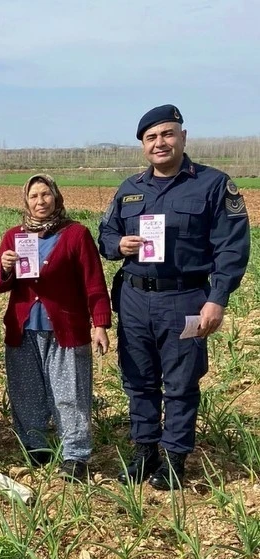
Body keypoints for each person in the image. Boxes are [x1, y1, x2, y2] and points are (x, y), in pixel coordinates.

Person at [99, 105, 250, 490]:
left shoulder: (213, 185)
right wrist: (120, 245)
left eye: (167, 134)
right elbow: (106, 235)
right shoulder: (131, 189)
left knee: (181, 383)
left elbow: (232, 248)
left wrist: (217, 299)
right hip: (134, 299)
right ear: (143, 146)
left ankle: (173, 457)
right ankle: (145, 449)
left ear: (183, 137)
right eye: (151, 138)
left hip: (184, 299)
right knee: (139, 380)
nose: (159, 143)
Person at [0, 174, 111, 482]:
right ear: (25, 201)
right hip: (23, 327)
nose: (40, 201)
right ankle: (36, 445)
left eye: (46, 195)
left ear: (56, 197)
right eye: (34, 196)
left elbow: (94, 283)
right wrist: (4, 267)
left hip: (66, 328)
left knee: (70, 392)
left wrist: (100, 324)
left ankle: (75, 454)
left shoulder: (76, 234)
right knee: (26, 391)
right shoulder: (13, 236)